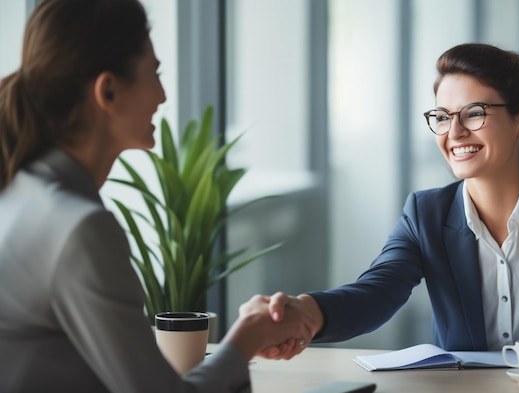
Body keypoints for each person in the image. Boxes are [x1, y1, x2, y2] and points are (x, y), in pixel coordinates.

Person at [0, 0, 312, 392]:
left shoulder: (21, 192)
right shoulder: (80, 229)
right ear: (108, 91)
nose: (164, 95)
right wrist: (246, 337)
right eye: (156, 74)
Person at [262, 42, 519, 358]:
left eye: (474, 113)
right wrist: (306, 312)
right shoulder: (426, 214)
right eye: (442, 116)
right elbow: (376, 292)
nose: (454, 132)